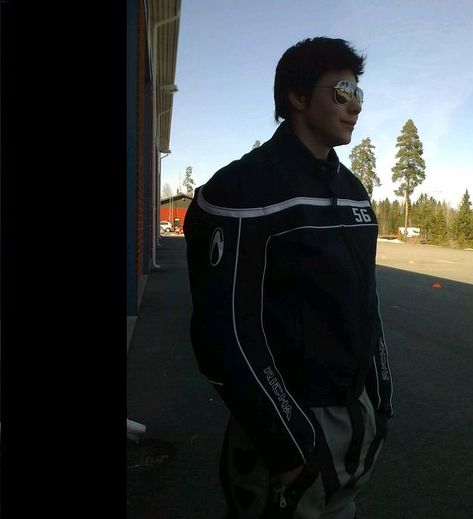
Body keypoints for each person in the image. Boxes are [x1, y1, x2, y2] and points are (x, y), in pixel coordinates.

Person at [184, 36, 394, 519]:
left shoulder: (354, 191)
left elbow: (367, 302)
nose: (356, 106)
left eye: (359, 93)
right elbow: (225, 333)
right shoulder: (242, 189)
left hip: (352, 417)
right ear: (297, 97)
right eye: (342, 91)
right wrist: (288, 439)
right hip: (288, 425)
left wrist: (380, 398)